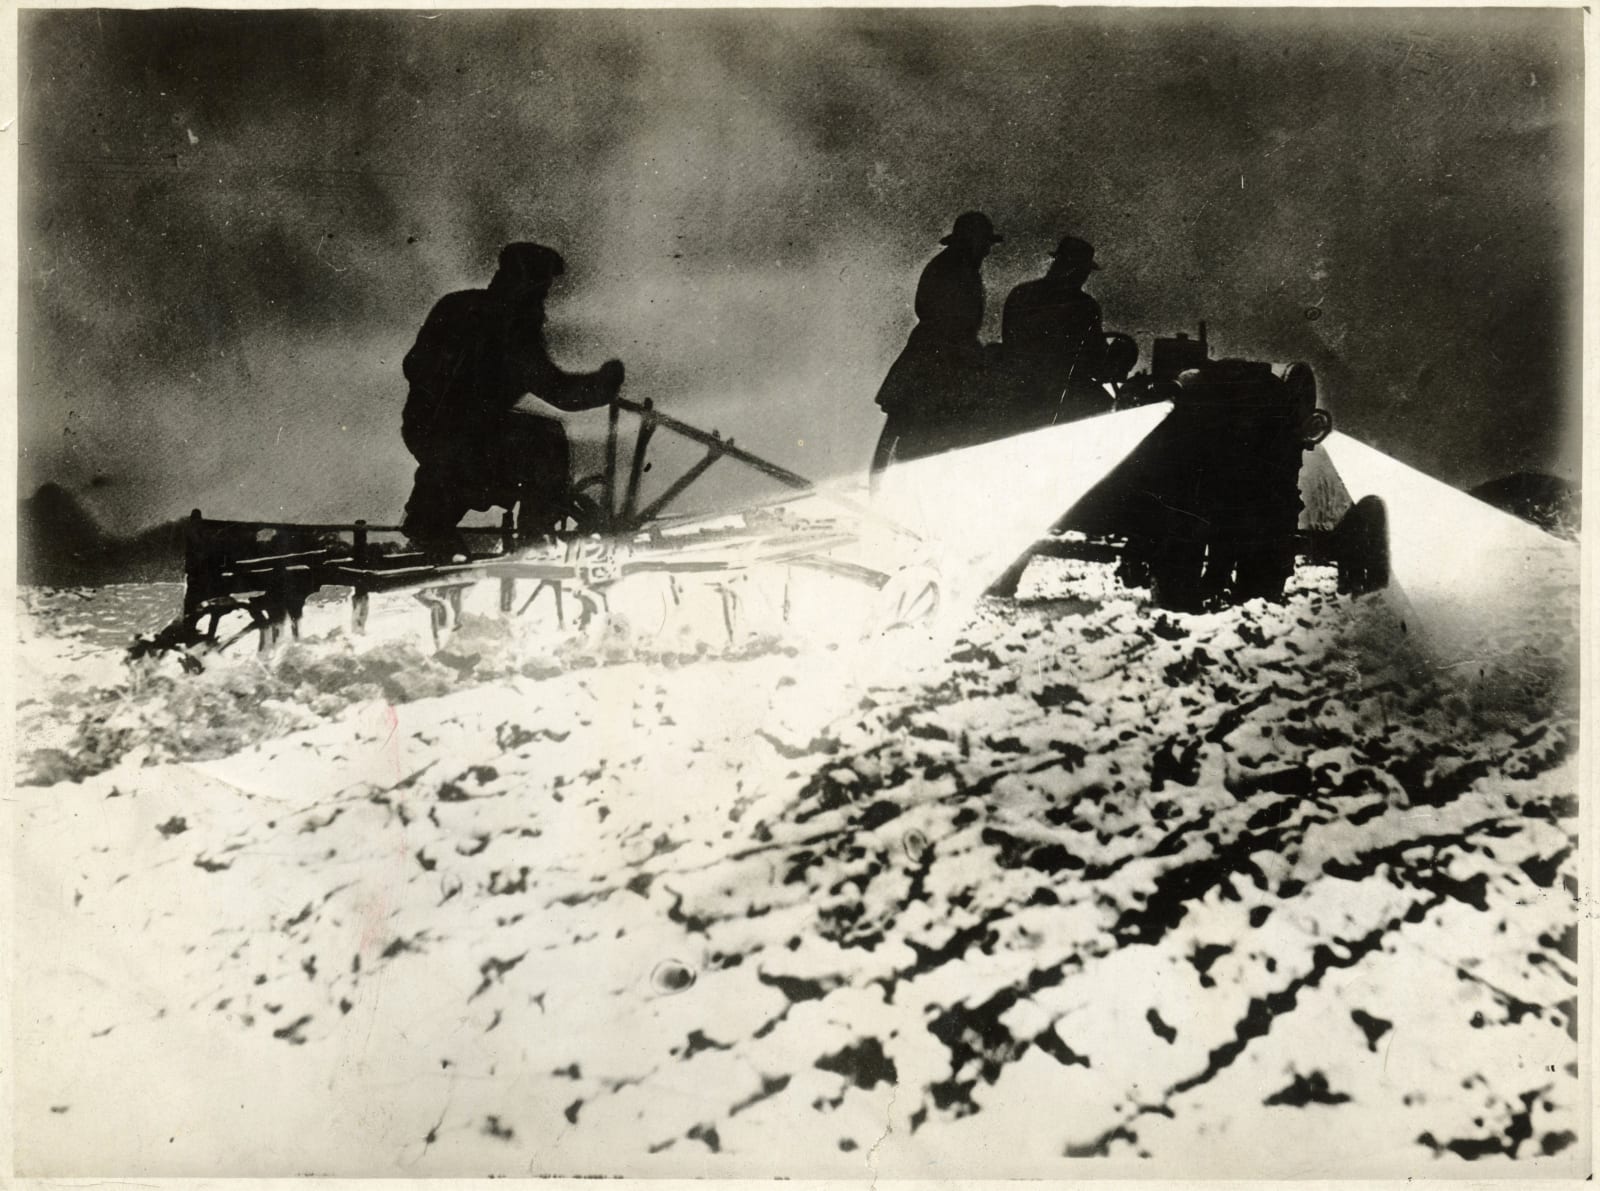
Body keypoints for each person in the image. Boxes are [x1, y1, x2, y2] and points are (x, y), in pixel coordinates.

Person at [400, 242, 625, 556]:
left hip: (424, 426)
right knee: (546, 441)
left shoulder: (456, 305)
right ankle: (535, 539)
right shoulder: (513, 327)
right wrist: (605, 384)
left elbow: (414, 364)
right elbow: (559, 391)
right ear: (527, 286)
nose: (542, 301)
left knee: (468, 463)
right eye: (541, 290)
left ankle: (430, 520)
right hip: (459, 434)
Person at [869, 211, 1004, 482]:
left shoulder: (947, 265)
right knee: (934, 428)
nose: (987, 250)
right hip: (943, 359)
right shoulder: (957, 271)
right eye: (984, 243)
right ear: (972, 241)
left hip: (929, 353)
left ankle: (883, 484)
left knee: (902, 425)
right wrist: (976, 354)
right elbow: (955, 322)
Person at [999, 235, 1112, 429]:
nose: (1084, 276)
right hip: (1061, 392)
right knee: (1108, 410)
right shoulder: (1085, 306)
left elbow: (1010, 341)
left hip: (1018, 386)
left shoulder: (1021, 293)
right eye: (1083, 270)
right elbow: (1095, 357)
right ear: (1075, 270)